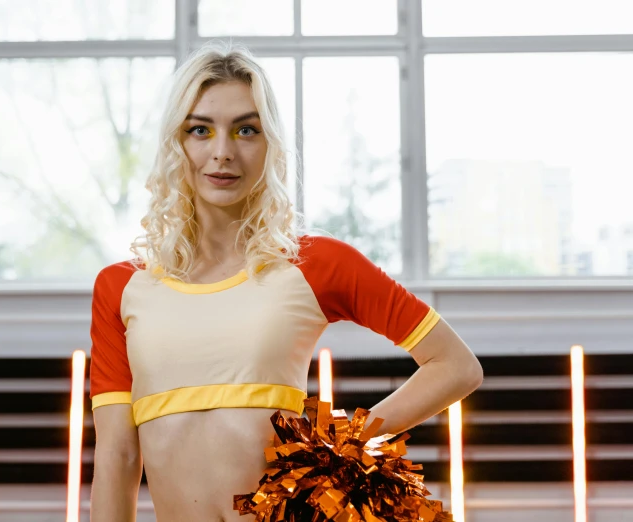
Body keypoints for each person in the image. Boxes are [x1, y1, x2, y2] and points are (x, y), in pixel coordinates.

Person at [89, 42, 483, 522]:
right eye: (200, 130)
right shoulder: (121, 288)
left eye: (246, 130)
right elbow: (117, 459)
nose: (223, 152)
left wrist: (340, 449)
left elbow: (456, 365)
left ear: (269, 142)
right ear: (177, 143)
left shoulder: (313, 264)